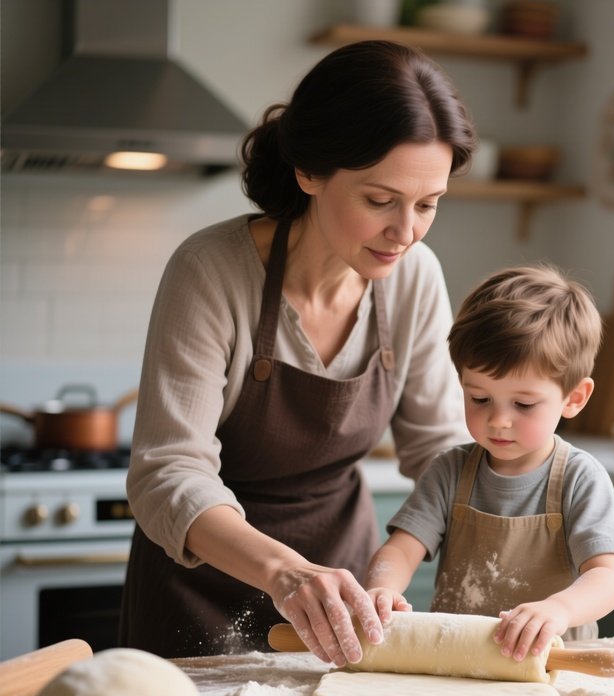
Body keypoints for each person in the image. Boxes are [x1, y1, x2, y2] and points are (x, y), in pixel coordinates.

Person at [119, 40, 477, 664]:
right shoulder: (211, 271)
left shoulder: (415, 276)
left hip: (342, 595)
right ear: (308, 171)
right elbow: (167, 472)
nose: (406, 232)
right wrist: (287, 574)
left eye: (428, 205)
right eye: (379, 200)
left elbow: (440, 455)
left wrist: (520, 521)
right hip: (196, 589)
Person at [365, 264, 614, 660]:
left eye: (523, 404)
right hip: (458, 662)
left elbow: (608, 578)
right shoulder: (449, 472)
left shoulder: (580, 478)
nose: (498, 420)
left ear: (574, 398)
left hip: (551, 666)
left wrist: (559, 610)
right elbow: (401, 549)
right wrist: (384, 588)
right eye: (479, 398)